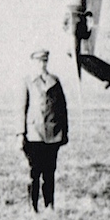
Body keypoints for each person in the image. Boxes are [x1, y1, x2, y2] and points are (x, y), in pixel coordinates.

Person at [21, 50, 69, 211]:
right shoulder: (27, 81)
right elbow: (21, 109)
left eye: (44, 61)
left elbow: (62, 108)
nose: (42, 65)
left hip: (52, 135)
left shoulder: (54, 81)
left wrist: (64, 132)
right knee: (34, 173)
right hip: (34, 134)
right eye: (39, 62)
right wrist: (20, 133)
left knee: (49, 173)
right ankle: (32, 207)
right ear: (33, 63)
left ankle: (50, 206)